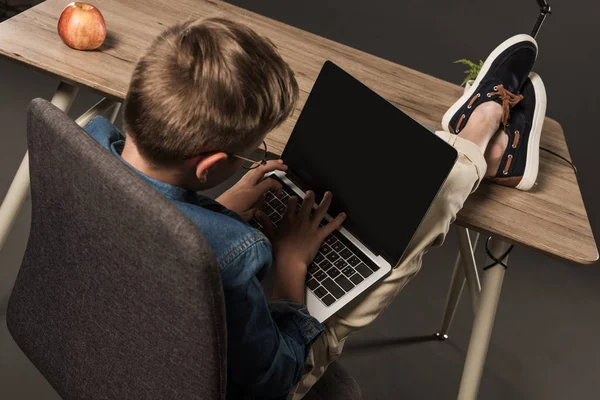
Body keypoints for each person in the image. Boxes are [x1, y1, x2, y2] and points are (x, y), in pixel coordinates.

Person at [84, 17, 544, 399]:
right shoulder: (238, 255)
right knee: (433, 200)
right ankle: (481, 137)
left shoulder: (90, 139)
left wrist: (215, 209)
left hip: (115, 342)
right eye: (252, 149)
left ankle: (480, 140)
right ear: (209, 167)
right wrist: (290, 264)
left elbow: (158, 213)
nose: (257, 154)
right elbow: (273, 376)